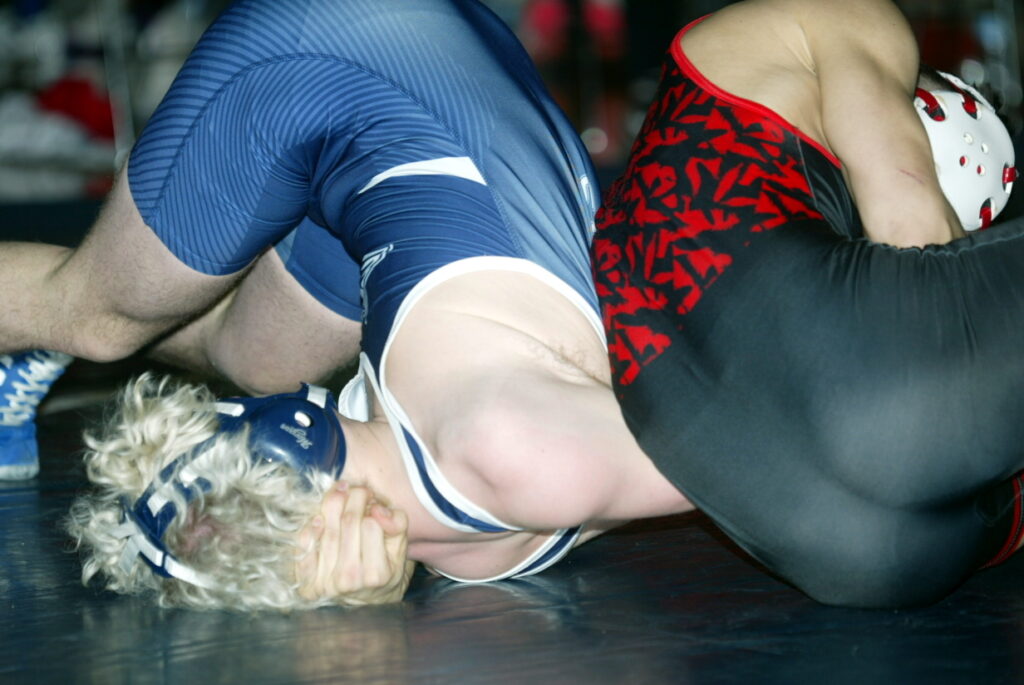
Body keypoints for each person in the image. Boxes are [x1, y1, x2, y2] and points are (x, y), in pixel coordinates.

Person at [66, 0, 1024, 612]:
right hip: (380, 64)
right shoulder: (514, 448)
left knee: (215, 349)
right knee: (114, 323)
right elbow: (788, 413)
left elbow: (774, 429)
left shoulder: (504, 451)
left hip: (415, 122)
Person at [59, 0, 691, 610]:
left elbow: (733, 454)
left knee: (97, 322)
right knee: (249, 358)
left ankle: (49, 330)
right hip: (417, 78)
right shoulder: (507, 457)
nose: (243, 407)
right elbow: (743, 452)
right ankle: (67, 320)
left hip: (338, 47)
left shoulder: (502, 457)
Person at [591, 0, 1024, 608]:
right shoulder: (851, 13)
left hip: (838, 548)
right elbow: (909, 218)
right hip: (878, 403)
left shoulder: (670, 149)